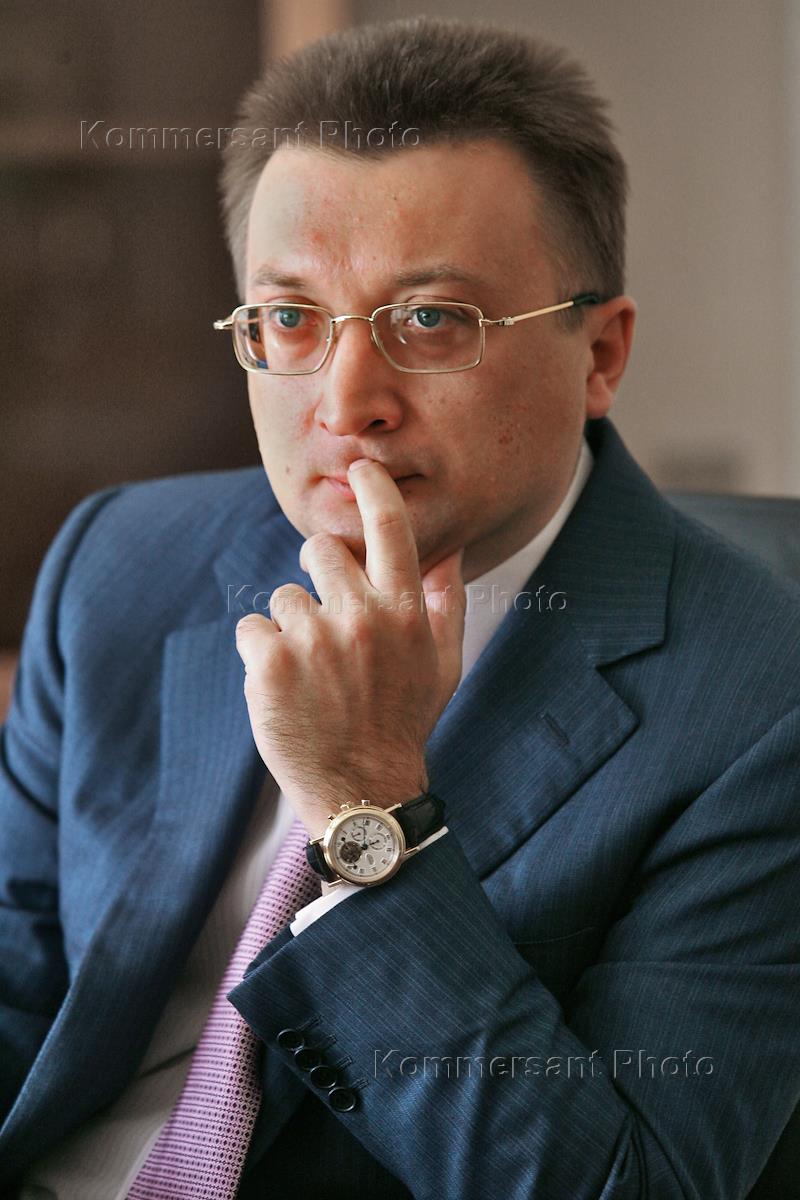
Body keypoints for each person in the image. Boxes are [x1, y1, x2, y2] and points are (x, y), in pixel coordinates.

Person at [1, 16, 798, 1199]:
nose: (346, 402)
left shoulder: (762, 707)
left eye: (430, 320)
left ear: (598, 355)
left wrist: (363, 806)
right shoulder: (121, 561)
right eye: (290, 319)